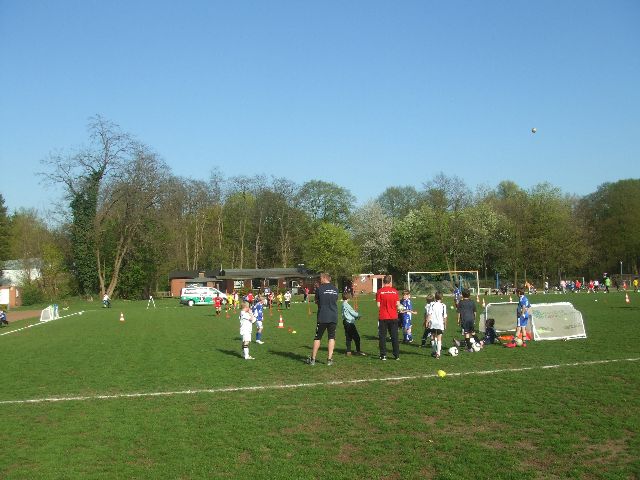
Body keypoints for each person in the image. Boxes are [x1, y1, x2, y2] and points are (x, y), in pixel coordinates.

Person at [306, 273, 339, 366]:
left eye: (320, 278)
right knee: (331, 337)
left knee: (318, 337)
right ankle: (329, 359)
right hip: (333, 316)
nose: (319, 280)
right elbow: (335, 301)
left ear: (325, 278)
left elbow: (316, 302)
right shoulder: (335, 289)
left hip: (322, 316)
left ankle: (313, 359)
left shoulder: (319, 289)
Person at [376, 275, 401, 361]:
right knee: (394, 336)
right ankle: (396, 355)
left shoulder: (380, 291)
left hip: (383, 316)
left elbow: (378, 305)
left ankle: (383, 355)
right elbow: (398, 304)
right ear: (390, 282)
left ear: (383, 281)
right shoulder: (395, 291)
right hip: (393, 316)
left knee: (382, 337)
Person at [342, 292, 366, 356]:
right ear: (348, 297)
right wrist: (359, 315)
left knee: (348, 336)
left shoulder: (344, 304)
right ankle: (358, 351)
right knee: (357, 337)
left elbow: (349, 313)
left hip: (346, 322)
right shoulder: (346, 305)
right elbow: (352, 313)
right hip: (349, 323)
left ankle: (348, 351)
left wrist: (355, 316)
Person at [426, 291, 447, 359]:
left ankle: (434, 351)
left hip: (433, 323)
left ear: (435, 297)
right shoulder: (443, 305)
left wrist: (427, 322)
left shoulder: (432, 304)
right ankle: (438, 353)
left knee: (432, 337)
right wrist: (445, 324)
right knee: (439, 338)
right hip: (440, 324)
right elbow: (444, 316)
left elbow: (429, 314)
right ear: (442, 298)